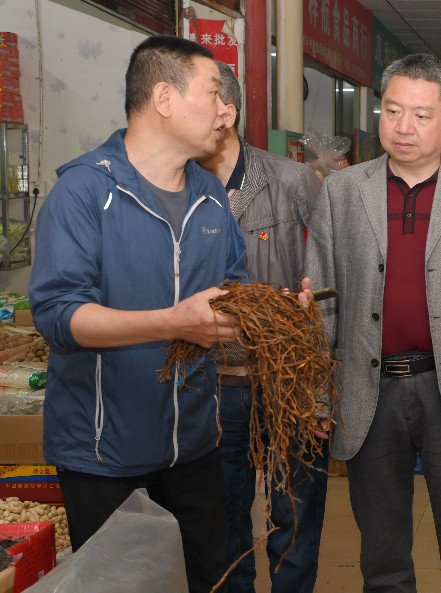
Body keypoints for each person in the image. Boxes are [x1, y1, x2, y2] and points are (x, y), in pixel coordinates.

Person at [28, 36, 247, 593]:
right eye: (214, 93)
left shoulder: (210, 195)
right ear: (164, 98)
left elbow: (232, 291)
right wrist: (172, 322)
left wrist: (272, 311)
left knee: (209, 580)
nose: (226, 111)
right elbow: (58, 315)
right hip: (105, 455)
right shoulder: (85, 191)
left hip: (195, 446)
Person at [304, 53, 441, 593]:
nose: (404, 127)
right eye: (393, 110)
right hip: (367, 391)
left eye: (422, 115)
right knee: (382, 564)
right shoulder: (342, 191)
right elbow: (321, 301)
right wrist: (317, 395)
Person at [197, 61, 329, 593]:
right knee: (221, 517)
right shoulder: (173, 184)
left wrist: (320, 391)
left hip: (288, 380)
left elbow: (328, 282)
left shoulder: (292, 181)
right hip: (211, 385)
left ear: (225, 114)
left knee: (294, 513)